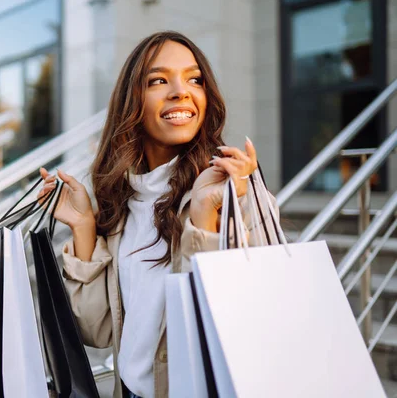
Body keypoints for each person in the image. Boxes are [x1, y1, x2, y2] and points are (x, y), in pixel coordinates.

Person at [39, 31, 273, 398]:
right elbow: (96, 330)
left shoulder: (235, 188)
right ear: (132, 102)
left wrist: (203, 219)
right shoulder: (123, 198)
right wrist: (85, 227)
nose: (181, 91)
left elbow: (243, 320)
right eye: (158, 80)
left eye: (194, 79)